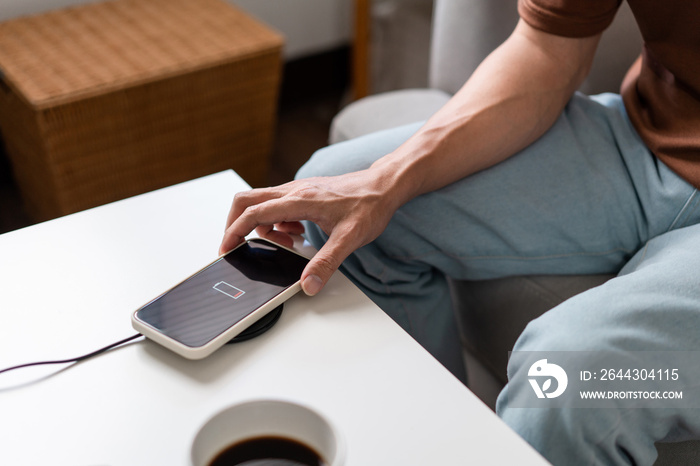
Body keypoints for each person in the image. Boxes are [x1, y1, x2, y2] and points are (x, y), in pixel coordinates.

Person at [220, 0, 700, 463]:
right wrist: (385, 183)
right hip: (644, 141)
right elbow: (549, 48)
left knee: (563, 378)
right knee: (343, 214)